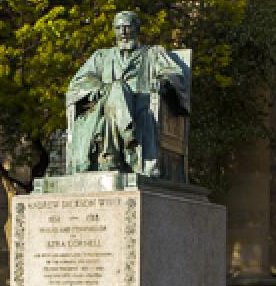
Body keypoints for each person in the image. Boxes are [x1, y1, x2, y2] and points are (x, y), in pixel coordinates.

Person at [66, 11, 189, 177]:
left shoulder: (152, 53)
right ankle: (127, 134)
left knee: (116, 96)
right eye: (118, 28)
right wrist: (99, 89)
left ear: (137, 29)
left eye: (127, 27)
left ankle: (112, 155)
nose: (123, 32)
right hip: (106, 104)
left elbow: (173, 74)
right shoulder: (101, 56)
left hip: (140, 105)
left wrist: (163, 82)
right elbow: (78, 82)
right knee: (116, 88)